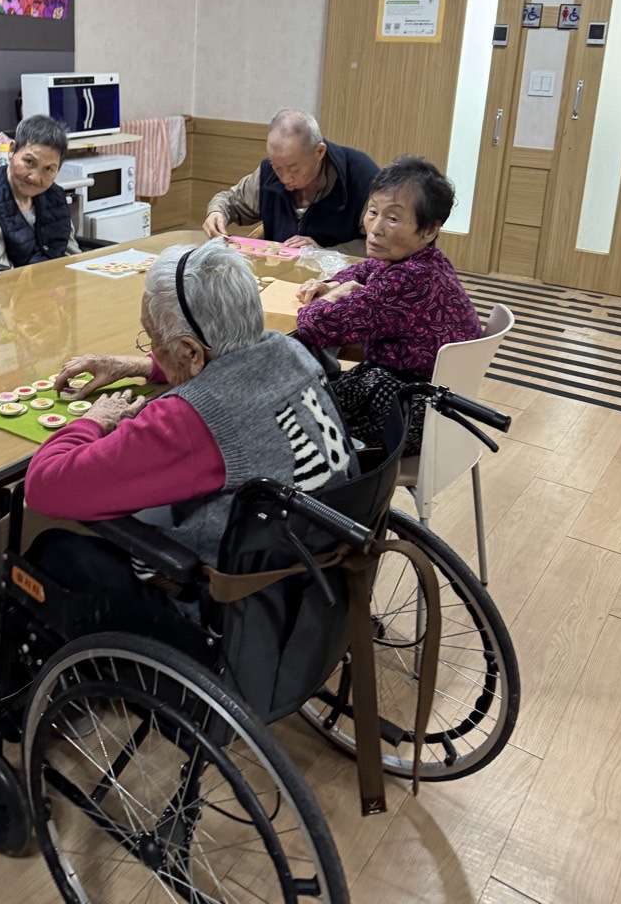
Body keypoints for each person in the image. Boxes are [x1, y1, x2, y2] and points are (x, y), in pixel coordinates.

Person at [24, 241, 356, 608]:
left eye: (154, 339)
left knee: (51, 549)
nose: (152, 348)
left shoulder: (189, 420)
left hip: (226, 604)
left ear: (191, 352)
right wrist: (136, 365)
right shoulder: (289, 349)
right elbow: (228, 364)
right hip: (317, 575)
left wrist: (93, 420)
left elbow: (43, 487)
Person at [295, 155, 480, 455]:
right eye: (372, 212)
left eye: (392, 218)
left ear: (429, 229)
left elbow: (314, 326)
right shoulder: (425, 260)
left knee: (290, 409)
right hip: (437, 405)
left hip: (410, 412)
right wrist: (330, 284)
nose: (375, 228)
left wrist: (329, 298)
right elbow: (364, 269)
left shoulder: (406, 282)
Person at [202, 109, 378, 251]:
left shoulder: (361, 176)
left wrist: (325, 253)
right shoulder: (268, 173)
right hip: (279, 275)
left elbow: (380, 244)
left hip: (340, 280)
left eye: (293, 168)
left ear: (319, 152)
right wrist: (216, 213)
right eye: (277, 167)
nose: (284, 178)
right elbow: (230, 201)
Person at [0, 115, 77, 269]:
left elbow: (73, 254)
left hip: (59, 281)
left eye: (48, 169)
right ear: (11, 151)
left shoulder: (55, 195)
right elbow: (3, 277)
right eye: (29, 162)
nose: (35, 177)